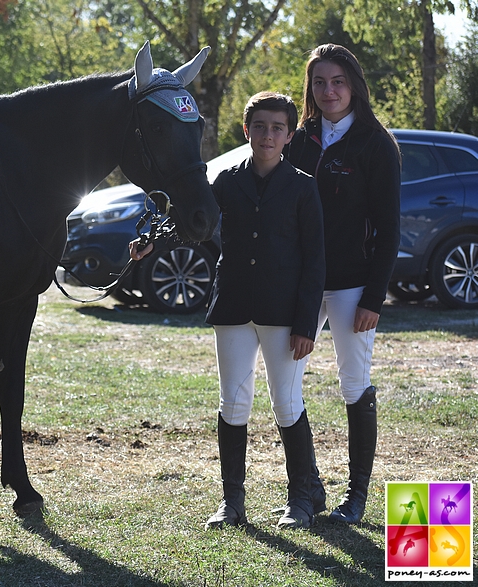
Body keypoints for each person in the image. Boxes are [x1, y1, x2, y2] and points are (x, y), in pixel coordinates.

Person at [131, 91, 326, 529]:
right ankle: (232, 502)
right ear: (246, 131)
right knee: (233, 404)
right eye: (260, 127)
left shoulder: (302, 187)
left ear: (289, 135)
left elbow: (316, 262)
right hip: (234, 305)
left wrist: (306, 324)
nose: (268, 135)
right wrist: (153, 242)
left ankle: (301, 499)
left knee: (286, 404)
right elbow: (192, 223)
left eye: (277, 128)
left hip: (285, 314)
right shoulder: (225, 180)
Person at [285, 44, 401, 524]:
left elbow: (390, 229)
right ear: (310, 88)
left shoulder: (377, 142)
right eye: (319, 82)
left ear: (353, 83)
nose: (328, 90)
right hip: (300, 284)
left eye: (337, 81)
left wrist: (374, 296)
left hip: (354, 286)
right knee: (286, 385)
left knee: (354, 385)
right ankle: (305, 492)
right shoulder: (299, 139)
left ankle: (356, 499)